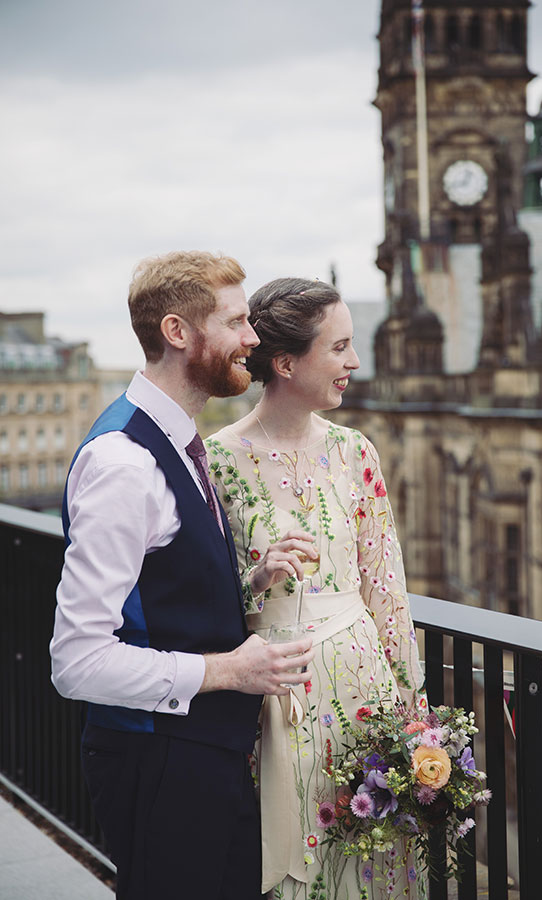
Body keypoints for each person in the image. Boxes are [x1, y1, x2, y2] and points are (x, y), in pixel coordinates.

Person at [49, 252, 315, 900]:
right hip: (160, 763)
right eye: (235, 321)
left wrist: (245, 582)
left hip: (200, 758)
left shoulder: (177, 439)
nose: (252, 338)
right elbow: (77, 661)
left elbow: (158, 583)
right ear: (177, 332)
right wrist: (230, 671)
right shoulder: (124, 463)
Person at [207, 277, 428, 900]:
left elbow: (387, 588)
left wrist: (413, 716)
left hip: (364, 688)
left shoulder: (355, 452)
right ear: (285, 363)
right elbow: (200, 595)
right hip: (271, 694)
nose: (354, 363)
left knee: (374, 852)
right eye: (339, 348)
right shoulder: (216, 461)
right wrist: (256, 578)